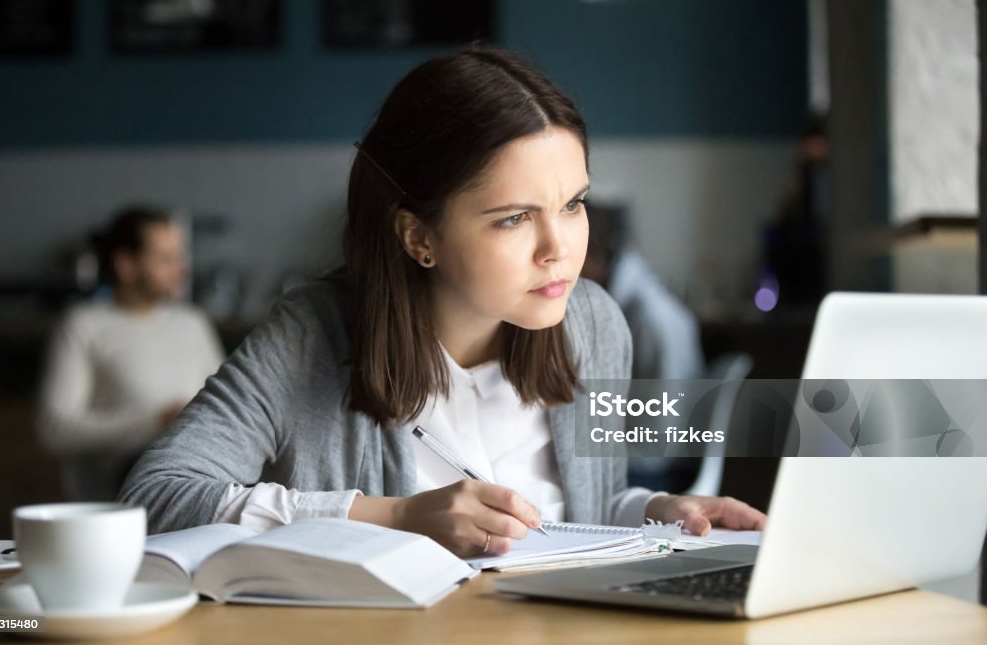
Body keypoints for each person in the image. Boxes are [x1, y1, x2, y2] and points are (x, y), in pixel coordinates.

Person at [120, 46, 765, 556]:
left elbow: (581, 514)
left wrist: (656, 513)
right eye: (514, 218)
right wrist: (393, 517)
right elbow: (156, 498)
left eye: (572, 205)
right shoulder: (313, 334)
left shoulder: (592, 321)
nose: (558, 249)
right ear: (418, 235)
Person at [38, 207, 225, 501]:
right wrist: (155, 421)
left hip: (202, 477)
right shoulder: (84, 325)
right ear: (126, 264)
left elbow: (226, 404)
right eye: (165, 259)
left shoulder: (193, 323)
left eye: (180, 257)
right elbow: (54, 429)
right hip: (120, 493)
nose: (181, 269)